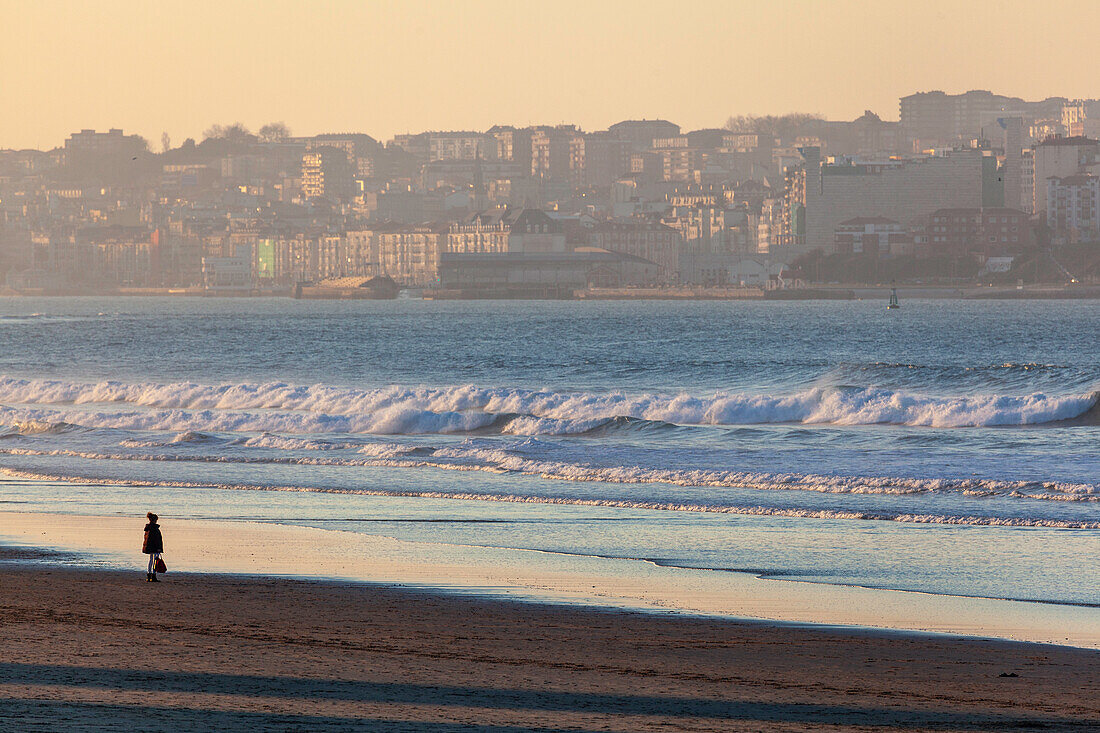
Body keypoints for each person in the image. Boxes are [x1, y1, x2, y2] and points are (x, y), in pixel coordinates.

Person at [142, 512, 164, 582]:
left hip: (149, 547)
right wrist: (159, 548)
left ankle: (149, 576)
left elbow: (146, 539)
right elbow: (157, 540)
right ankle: (153, 576)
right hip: (154, 547)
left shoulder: (148, 528)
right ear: (155, 520)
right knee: (155, 560)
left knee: (151, 560)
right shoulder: (154, 528)